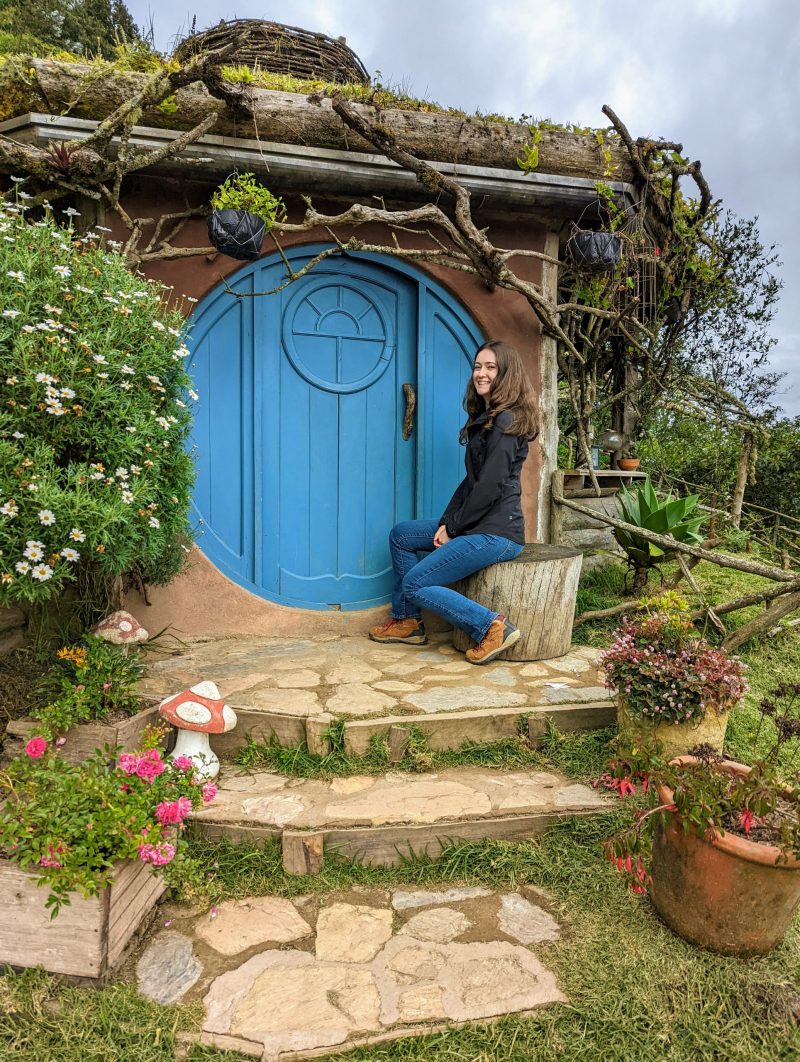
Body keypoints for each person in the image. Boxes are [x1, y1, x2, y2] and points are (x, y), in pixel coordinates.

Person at [369, 340, 538, 665]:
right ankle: (407, 621)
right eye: (478, 366)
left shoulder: (505, 422)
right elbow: (472, 481)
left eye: (491, 367)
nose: (482, 373)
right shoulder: (487, 417)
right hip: (476, 524)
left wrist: (455, 528)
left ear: (506, 374)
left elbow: (489, 487)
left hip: (498, 534)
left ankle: (491, 627)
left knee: (416, 581)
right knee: (402, 534)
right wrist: (448, 521)